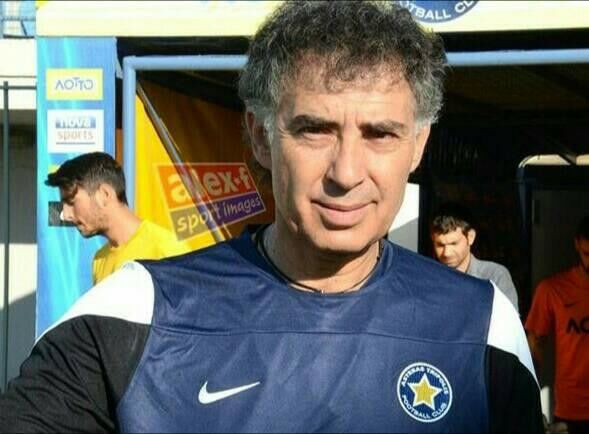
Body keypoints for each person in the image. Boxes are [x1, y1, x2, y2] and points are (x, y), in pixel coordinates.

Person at [0, 2, 543, 432]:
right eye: (315, 130)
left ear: (418, 145)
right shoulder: (136, 311)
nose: (347, 172)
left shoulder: (481, 324)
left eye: (380, 134)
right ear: (260, 136)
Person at [45, 151, 186, 284]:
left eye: (71, 202)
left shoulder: (167, 250)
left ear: (104, 195)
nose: (66, 215)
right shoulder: (99, 259)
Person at [525, 216, 589, 434]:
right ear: (577, 245)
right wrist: (530, 401)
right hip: (572, 408)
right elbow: (534, 345)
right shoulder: (553, 289)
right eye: (587, 254)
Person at [430, 202, 519, 311]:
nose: (447, 253)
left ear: (470, 237)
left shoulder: (495, 275)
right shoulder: (429, 278)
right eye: (440, 245)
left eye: (454, 243)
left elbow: (508, 319)